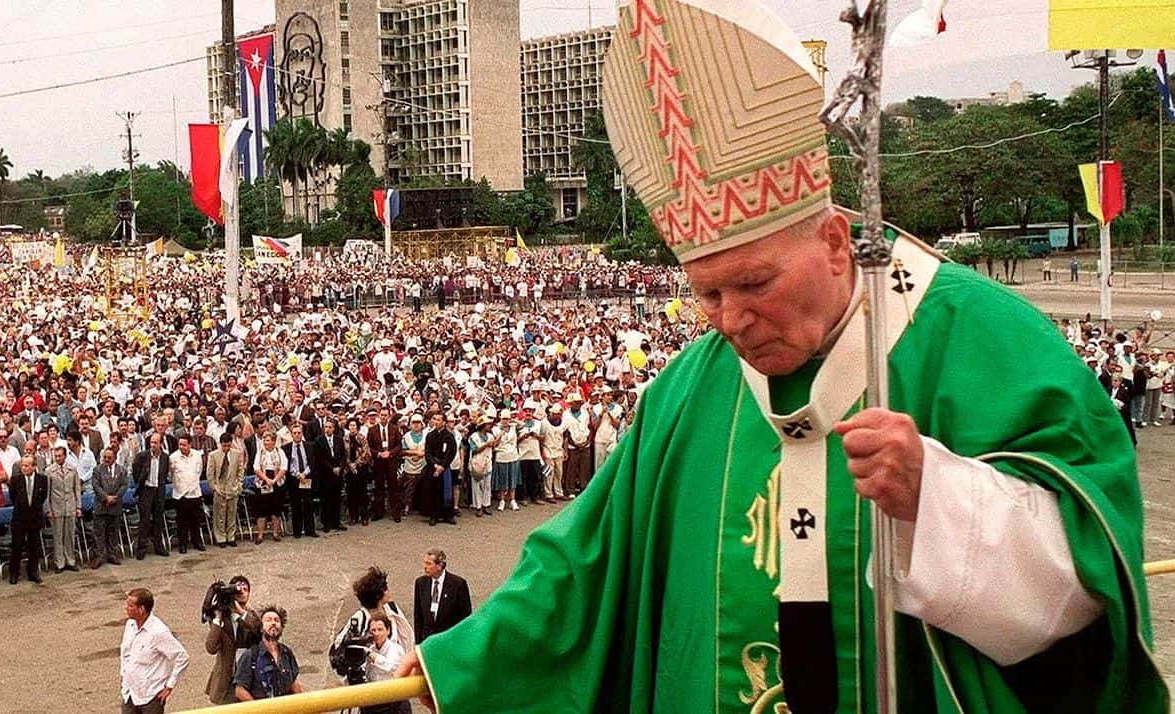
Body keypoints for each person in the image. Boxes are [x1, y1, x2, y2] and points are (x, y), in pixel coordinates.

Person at [396, 4, 1166, 712]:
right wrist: (458, 666)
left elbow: (1092, 569)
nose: (730, 320)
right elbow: (585, 563)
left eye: (754, 282)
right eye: (706, 293)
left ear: (834, 242)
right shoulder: (689, 392)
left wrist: (941, 499)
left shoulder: (979, 338)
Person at [120, 587, 190, 713]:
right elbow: (125, 653)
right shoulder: (130, 625)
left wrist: (169, 686)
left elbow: (182, 657)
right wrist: (125, 677)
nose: (126, 608)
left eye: (130, 606)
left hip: (150, 697)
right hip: (130, 694)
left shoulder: (158, 632)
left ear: (141, 609)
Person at [205, 575, 261, 704]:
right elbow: (211, 648)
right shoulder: (220, 619)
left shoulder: (253, 616)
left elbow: (259, 632)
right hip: (226, 681)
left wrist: (241, 612)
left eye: (245, 589)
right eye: (237, 590)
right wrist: (217, 618)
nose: (241, 592)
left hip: (248, 679)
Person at [233, 605, 305, 701]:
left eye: (276, 620)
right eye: (268, 620)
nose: (273, 623)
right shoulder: (251, 655)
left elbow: (293, 684)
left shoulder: (287, 653)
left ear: (281, 627)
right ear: (261, 628)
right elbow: (240, 690)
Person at [412, 549, 471, 644]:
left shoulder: (458, 585)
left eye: (428, 564)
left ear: (439, 566)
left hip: (449, 641)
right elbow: (418, 617)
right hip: (428, 642)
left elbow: (465, 617)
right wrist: (419, 644)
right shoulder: (421, 583)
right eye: (424, 563)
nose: (425, 567)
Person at [360, 614, 412, 714]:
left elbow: (390, 666)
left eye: (380, 629)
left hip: (395, 703)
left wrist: (371, 655)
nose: (376, 633)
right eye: (373, 630)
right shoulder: (370, 650)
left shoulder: (395, 649)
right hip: (376, 702)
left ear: (388, 631)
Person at [7, 455, 46, 584]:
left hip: (35, 517)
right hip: (19, 518)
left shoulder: (42, 480)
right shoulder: (15, 480)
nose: (24, 468)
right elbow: (13, 498)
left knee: (34, 547)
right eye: (23, 465)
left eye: (27, 465)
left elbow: (43, 497)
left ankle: (33, 572)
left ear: (34, 467)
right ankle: (14, 573)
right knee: (17, 546)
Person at [131, 434, 171, 559]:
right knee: (145, 520)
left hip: (159, 490)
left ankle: (158, 545)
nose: (153, 445)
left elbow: (164, 474)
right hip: (146, 491)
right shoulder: (142, 456)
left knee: (159, 519)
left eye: (155, 443)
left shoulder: (165, 457)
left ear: (160, 444)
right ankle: (142, 548)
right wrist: (141, 483)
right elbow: (135, 472)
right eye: (151, 442)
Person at [90, 445, 128, 568]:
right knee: (99, 533)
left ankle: (112, 554)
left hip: (115, 506)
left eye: (109, 457)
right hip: (101, 506)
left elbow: (124, 485)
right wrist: (106, 497)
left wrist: (115, 497)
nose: (106, 459)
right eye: (105, 457)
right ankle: (99, 556)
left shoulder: (122, 470)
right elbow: (95, 486)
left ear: (115, 458)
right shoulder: (97, 470)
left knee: (113, 532)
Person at [46, 444, 81, 573]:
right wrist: (48, 509)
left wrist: (78, 506)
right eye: (56, 456)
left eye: (60, 456)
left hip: (70, 505)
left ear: (65, 456)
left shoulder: (72, 469)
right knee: (58, 536)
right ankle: (59, 562)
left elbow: (76, 488)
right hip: (56, 507)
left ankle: (70, 560)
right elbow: (47, 492)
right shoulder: (49, 471)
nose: (58, 458)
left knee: (70, 535)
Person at [206, 432, 245, 547]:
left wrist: (238, 485)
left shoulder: (237, 454)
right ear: (220, 444)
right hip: (220, 487)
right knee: (220, 515)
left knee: (232, 513)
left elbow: (240, 470)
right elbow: (210, 474)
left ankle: (231, 536)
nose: (226, 448)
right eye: (224, 446)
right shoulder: (213, 455)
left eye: (228, 445)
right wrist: (214, 487)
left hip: (232, 487)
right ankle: (220, 537)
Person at [169, 435, 205, 553]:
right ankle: (183, 544)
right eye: (180, 445)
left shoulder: (197, 455)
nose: (182, 447)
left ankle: (197, 542)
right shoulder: (173, 457)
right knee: (182, 522)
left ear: (190, 444)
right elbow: (170, 475)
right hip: (180, 494)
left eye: (184, 445)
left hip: (195, 492)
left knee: (195, 521)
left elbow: (199, 471)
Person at [367, 408, 402, 522]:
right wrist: (378, 454)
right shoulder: (372, 430)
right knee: (379, 488)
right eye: (381, 415)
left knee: (393, 488)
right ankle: (378, 513)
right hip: (378, 463)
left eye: (385, 415)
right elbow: (369, 447)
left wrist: (390, 453)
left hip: (391, 462)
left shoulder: (395, 429)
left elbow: (399, 446)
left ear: (389, 416)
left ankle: (396, 513)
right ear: (379, 416)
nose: (383, 417)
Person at [283, 424, 318, 538]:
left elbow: (312, 462)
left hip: (306, 478)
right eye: (295, 433)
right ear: (291, 434)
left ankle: (310, 530)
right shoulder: (286, 448)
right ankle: (297, 531)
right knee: (296, 505)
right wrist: (297, 474)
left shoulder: (310, 446)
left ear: (302, 434)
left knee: (309, 504)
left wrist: (304, 473)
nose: (297, 435)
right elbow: (287, 465)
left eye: (299, 433)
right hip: (294, 480)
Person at [251, 431, 287, 544]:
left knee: (276, 508)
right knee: (261, 509)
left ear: (273, 441)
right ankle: (260, 534)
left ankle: (276, 533)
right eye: (264, 440)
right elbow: (256, 468)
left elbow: (284, 468)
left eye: (268, 440)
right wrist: (266, 480)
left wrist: (274, 480)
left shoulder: (280, 451)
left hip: (277, 481)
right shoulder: (260, 452)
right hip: (262, 481)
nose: (265, 443)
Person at [422, 413, 457, 525]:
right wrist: (435, 465)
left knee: (446, 492)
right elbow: (427, 453)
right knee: (433, 491)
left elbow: (451, 453)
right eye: (434, 419)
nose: (436, 422)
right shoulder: (430, 435)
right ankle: (434, 515)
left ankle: (448, 515)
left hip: (444, 467)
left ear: (444, 422)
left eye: (438, 420)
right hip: (433, 466)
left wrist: (442, 466)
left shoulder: (449, 436)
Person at [314, 416, 347, 531]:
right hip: (325, 474)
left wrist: (340, 467)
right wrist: (332, 468)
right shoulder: (319, 441)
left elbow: (343, 455)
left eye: (330, 427)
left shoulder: (338, 439)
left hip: (337, 474)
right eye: (326, 427)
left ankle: (336, 522)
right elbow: (320, 458)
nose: (328, 429)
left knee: (336, 499)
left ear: (334, 428)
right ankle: (326, 523)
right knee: (326, 500)